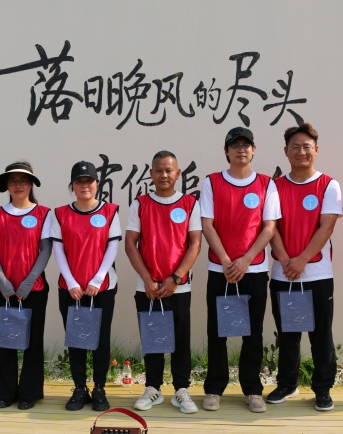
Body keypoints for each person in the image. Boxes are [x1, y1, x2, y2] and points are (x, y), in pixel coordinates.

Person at [201, 126, 280, 413]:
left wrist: (246, 260)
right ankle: (214, 388)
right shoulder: (211, 182)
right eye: (235, 145)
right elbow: (207, 224)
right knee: (217, 332)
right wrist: (225, 260)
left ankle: (252, 389)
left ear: (254, 150)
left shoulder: (267, 184)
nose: (241, 150)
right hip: (219, 268)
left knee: (253, 333)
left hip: (254, 269)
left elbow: (269, 227)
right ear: (226, 151)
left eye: (246, 145)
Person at [267, 123, 342, 411]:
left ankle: (322, 389)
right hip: (283, 273)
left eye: (306, 147)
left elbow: (326, 227)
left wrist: (302, 260)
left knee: (321, 335)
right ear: (286, 151)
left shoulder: (329, 185)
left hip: (317, 274)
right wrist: (286, 259)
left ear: (316, 150)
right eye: (295, 147)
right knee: (288, 334)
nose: (301, 152)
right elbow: (271, 228)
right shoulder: (275, 186)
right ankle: (288, 384)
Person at [125, 151, 202, 414]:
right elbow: (130, 244)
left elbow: (195, 244)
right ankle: (153, 389)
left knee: (181, 340)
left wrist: (176, 278)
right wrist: (147, 279)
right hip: (148, 287)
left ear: (177, 173)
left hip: (179, 286)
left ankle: (181, 390)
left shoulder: (190, 203)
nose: (164, 175)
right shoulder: (140, 204)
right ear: (151, 174)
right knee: (153, 340)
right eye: (158, 170)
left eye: (169, 170)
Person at [52, 161, 122, 412]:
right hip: (71, 290)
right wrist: (72, 282)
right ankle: (80, 388)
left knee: (101, 341)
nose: (85, 186)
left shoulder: (110, 211)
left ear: (97, 183)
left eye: (89, 181)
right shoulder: (60, 214)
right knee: (76, 341)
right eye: (79, 182)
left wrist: (97, 279)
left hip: (101, 289)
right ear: (72, 185)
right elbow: (58, 250)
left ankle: (99, 388)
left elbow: (112, 247)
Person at [0, 161, 52, 410]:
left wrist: (30, 280)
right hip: (2, 289)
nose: (18, 185)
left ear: (31, 184)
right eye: (13, 181)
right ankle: (6, 393)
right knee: (7, 340)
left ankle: (29, 393)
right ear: (6, 185)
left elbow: (45, 250)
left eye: (23, 180)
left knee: (33, 341)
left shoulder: (43, 214)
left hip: (33, 289)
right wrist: (2, 281)